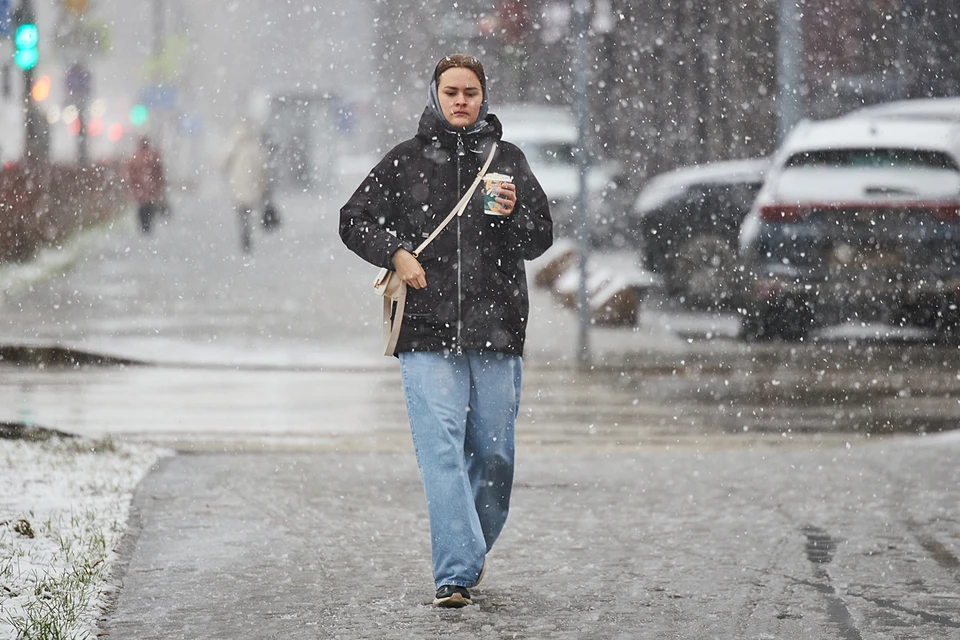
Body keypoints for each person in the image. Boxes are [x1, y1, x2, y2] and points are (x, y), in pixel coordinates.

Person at [339, 54, 553, 608]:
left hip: (498, 326)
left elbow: (540, 239)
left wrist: (512, 215)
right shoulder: (405, 160)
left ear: (484, 97)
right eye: (452, 91)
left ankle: (471, 547)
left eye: (471, 92)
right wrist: (396, 253)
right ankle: (454, 571)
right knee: (440, 450)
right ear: (435, 95)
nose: (461, 101)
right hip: (426, 327)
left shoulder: (508, 161)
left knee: (495, 452)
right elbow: (352, 218)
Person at [223, 122, 268, 253]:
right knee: (248, 211)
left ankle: (245, 236)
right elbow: (262, 168)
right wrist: (263, 185)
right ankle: (247, 235)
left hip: (237, 187)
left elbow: (224, 163)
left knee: (241, 213)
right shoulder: (255, 147)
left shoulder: (234, 147)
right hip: (252, 186)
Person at [124, 137, 167, 234]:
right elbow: (159, 172)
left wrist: (133, 184)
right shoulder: (153, 155)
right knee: (149, 207)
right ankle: (147, 226)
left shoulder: (135, 157)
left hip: (141, 189)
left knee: (142, 207)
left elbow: (130, 173)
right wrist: (158, 183)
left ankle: (144, 226)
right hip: (150, 188)